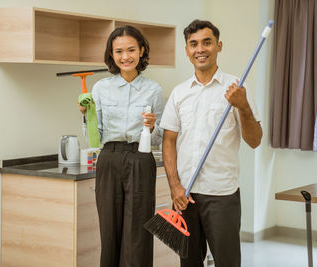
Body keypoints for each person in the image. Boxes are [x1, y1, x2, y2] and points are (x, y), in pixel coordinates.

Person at [160, 20, 262, 267]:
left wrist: (243, 106)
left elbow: (255, 141)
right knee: (189, 262)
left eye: (207, 42)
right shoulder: (179, 93)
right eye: (193, 44)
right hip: (185, 195)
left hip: (222, 195)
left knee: (227, 262)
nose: (200, 49)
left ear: (219, 46)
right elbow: (169, 141)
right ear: (187, 50)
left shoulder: (237, 89)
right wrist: (174, 186)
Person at [79, 25, 164, 267]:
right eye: (118, 51)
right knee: (109, 230)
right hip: (109, 158)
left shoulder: (154, 89)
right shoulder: (101, 88)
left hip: (141, 158)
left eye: (130, 50)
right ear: (111, 54)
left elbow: (157, 139)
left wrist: (152, 127)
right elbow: (95, 139)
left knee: (138, 231)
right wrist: (87, 115)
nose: (125, 56)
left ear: (141, 51)